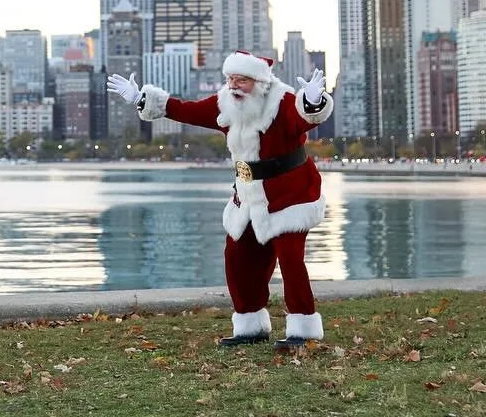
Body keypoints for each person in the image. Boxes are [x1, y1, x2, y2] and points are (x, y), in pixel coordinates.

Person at [108, 51, 334, 350]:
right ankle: (250, 324)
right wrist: (140, 97)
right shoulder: (225, 104)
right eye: (230, 79)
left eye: (242, 80)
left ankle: (304, 329)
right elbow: (185, 110)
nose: (234, 85)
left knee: (290, 258)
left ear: (260, 81)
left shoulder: (283, 101)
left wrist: (313, 100)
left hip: (291, 195)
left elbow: (305, 118)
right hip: (249, 194)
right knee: (238, 256)